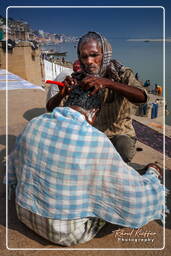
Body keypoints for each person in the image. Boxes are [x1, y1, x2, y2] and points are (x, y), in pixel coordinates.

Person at [6, 86, 165, 246]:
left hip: (23, 213)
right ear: (94, 111)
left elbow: (15, 166)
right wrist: (152, 174)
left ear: (67, 102)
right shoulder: (95, 139)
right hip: (65, 232)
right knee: (112, 197)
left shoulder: (35, 123)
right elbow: (131, 197)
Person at [46, 31, 149, 163]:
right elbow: (50, 109)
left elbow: (142, 97)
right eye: (84, 57)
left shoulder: (121, 73)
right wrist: (61, 94)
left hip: (118, 133)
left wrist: (109, 83)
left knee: (122, 151)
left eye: (94, 55)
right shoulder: (78, 78)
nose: (89, 61)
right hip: (89, 133)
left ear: (105, 54)